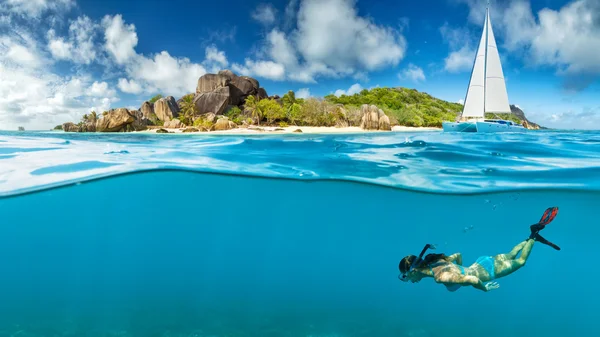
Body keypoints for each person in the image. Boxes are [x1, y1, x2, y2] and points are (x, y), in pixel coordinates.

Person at [397, 207, 560, 292]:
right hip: (481, 262)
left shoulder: (440, 276)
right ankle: (529, 238)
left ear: (412, 270)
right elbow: (457, 255)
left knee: (521, 261)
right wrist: (463, 269)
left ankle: (533, 235)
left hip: (487, 272)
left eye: (406, 277)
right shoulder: (435, 262)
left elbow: (473, 280)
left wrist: (484, 288)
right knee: (510, 254)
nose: (409, 281)